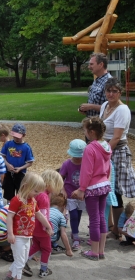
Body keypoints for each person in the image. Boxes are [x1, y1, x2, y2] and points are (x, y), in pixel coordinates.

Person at [97, 78, 135, 238]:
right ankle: (111, 224)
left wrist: (103, 153)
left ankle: (118, 229)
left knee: (116, 188)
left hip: (116, 151)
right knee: (105, 187)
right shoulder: (105, 106)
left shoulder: (122, 109)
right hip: (104, 147)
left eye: (114, 91)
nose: (111, 94)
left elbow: (117, 137)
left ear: (120, 93)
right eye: (108, 90)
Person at [71, 116, 111, 261]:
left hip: (93, 188)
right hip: (104, 185)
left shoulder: (90, 148)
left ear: (92, 132)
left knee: (94, 219)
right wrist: (106, 179)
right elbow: (108, 167)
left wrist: (82, 188)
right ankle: (101, 250)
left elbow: (87, 171)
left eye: (85, 130)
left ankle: (94, 252)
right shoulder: (106, 146)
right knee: (101, 217)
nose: (85, 132)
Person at [5, 172, 52, 280]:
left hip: (28, 236)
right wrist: (10, 233)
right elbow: (9, 217)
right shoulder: (17, 200)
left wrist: (48, 226)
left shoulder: (33, 201)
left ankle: (10, 274)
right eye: (35, 191)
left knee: (23, 258)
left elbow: (39, 215)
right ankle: (16, 277)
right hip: (17, 236)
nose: (37, 194)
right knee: (21, 262)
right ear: (26, 186)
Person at [25, 170, 64, 278]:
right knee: (47, 249)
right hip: (42, 228)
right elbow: (43, 215)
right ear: (51, 183)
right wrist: (48, 227)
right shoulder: (44, 197)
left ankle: (23, 262)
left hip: (34, 226)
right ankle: (43, 269)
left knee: (36, 245)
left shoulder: (37, 194)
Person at [59, 139, 86, 251]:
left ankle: (75, 232)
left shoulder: (86, 163)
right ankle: (76, 237)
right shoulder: (67, 164)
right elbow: (60, 178)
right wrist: (62, 189)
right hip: (70, 194)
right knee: (73, 215)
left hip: (81, 195)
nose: (78, 158)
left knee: (78, 215)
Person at [1, 123, 35, 201]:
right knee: (8, 194)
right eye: (14, 136)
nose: (16, 138)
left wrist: (20, 168)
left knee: (21, 193)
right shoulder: (8, 144)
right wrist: (7, 165)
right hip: (8, 172)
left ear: (24, 135)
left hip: (20, 173)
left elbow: (30, 162)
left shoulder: (26, 147)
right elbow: (2, 156)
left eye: (18, 137)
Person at [78, 53, 112, 118]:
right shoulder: (96, 80)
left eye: (91, 64)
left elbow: (111, 107)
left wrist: (91, 106)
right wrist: (85, 109)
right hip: (92, 124)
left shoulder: (109, 82)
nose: (89, 67)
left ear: (101, 64)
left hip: (101, 125)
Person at [49, 192, 74, 257]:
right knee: (60, 229)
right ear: (63, 206)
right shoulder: (61, 216)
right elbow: (63, 234)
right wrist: (68, 250)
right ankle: (52, 243)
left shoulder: (46, 211)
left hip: (38, 237)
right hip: (49, 237)